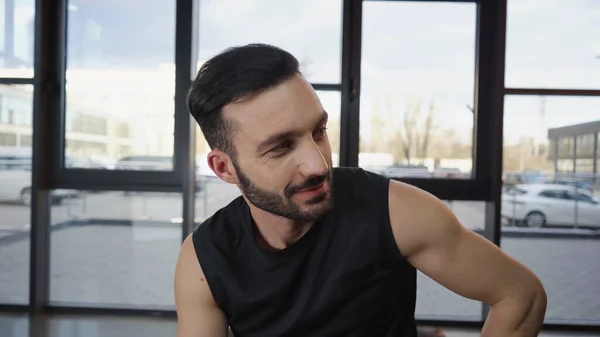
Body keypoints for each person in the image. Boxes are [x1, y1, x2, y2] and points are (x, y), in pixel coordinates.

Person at [174, 43, 547, 337]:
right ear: (224, 168)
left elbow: (520, 295)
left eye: (318, 131)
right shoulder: (205, 259)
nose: (318, 164)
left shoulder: (394, 211)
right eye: (281, 147)